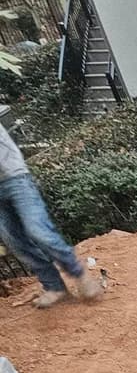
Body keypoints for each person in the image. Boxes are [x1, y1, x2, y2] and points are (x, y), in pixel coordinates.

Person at [0, 121, 102, 308]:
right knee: (17, 243)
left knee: (38, 231)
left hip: (14, 179)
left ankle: (79, 274)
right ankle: (54, 287)